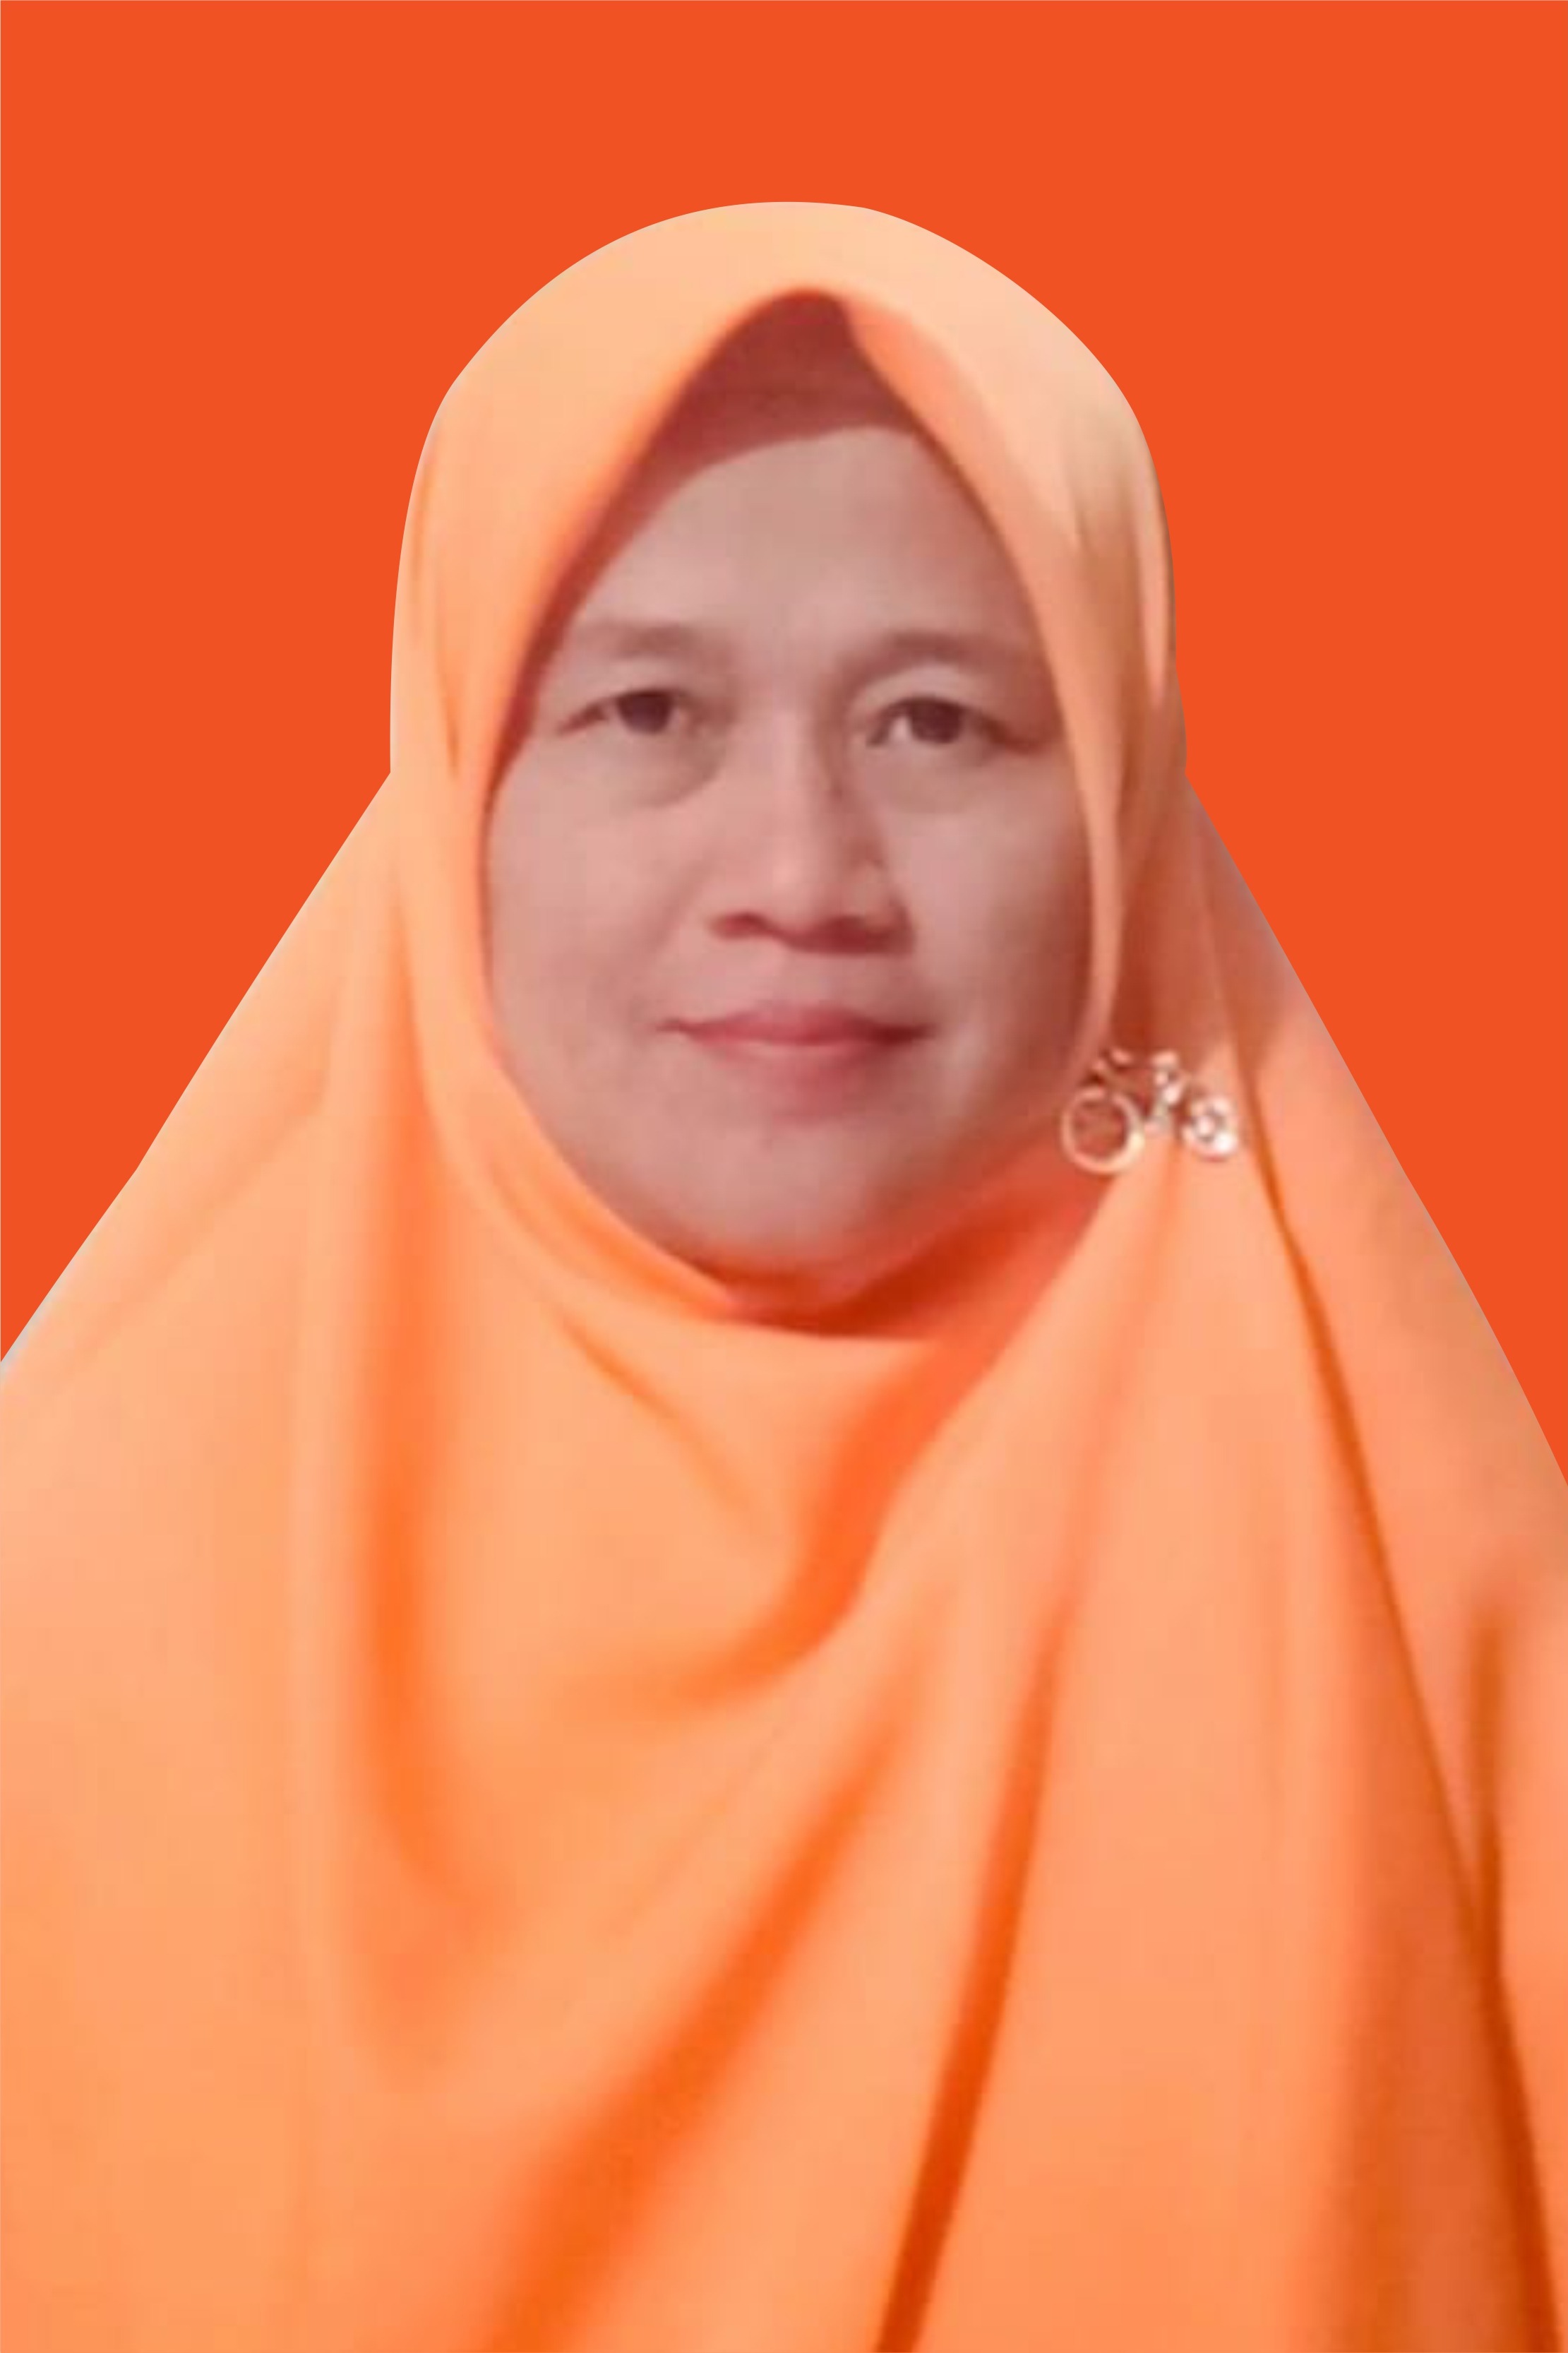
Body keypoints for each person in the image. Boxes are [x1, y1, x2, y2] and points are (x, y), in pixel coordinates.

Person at [1, 200, 1562, 2353]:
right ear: (457, 789)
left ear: (1121, 799)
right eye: (646, 707)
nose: (799, 873)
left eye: (936, 723)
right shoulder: (62, 1596)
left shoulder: (1448, 1614)